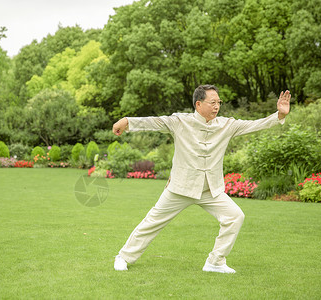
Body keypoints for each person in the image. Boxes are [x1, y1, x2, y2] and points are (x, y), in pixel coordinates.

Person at [112, 84, 291, 273]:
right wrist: (126, 121)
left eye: (219, 102)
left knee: (235, 216)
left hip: (210, 190)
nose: (217, 106)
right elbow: (153, 122)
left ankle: (215, 262)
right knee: (152, 222)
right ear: (198, 104)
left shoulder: (227, 125)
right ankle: (123, 257)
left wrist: (279, 115)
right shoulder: (180, 121)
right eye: (212, 102)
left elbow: (254, 125)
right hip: (180, 188)